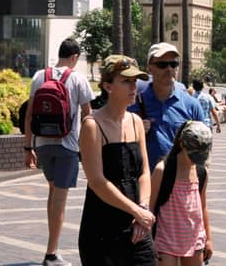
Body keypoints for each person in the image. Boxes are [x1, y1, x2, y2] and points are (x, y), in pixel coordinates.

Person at [77, 55, 156, 265]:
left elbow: (144, 171)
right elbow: (97, 181)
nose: (133, 87)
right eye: (126, 81)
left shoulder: (136, 121)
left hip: (136, 226)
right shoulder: (92, 125)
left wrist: (144, 209)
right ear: (108, 86)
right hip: (103, 229)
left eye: (134, 81)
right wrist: (137, 211)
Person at [23, 38, 95, 266]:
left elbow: (28, 115)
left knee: (53, 192)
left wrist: (28, 147)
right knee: (60, 199)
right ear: (74, 57)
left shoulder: (39, 76)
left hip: (43, 144)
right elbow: (88, 116)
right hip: (67, 144)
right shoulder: (78, 78)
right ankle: (51, 254)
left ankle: (51, 248)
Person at [128, 42, 204, 168]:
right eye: (162, 65)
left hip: (180, 182)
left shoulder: (191, 105)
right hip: (145, 180)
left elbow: (203, 148)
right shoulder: (133, 103)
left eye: (174, 64)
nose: (169, 69)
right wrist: (135, 131)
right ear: (149, 68)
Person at [151, 121, 214, 266]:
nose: (195, 161)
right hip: (166, 239)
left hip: (194, 238)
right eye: (192, 156)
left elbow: (203, 206)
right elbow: (150, 206)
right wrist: (149, 240)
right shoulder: (163, 170)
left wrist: (209, 239)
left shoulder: (201, 172)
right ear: (181, 144)